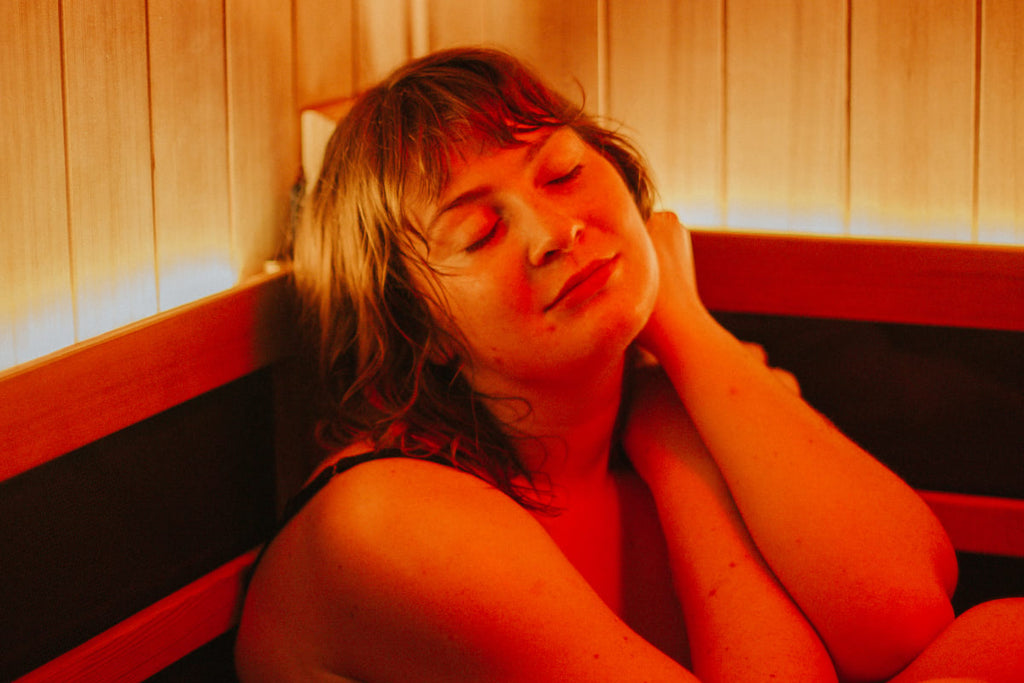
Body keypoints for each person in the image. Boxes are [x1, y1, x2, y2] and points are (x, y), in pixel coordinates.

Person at [235, 47, 1022, 682]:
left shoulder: (633, 417)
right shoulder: (386, 522)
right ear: (418, 328)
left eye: (565, 172)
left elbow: (907, 612)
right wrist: (686, 455)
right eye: (478, 233)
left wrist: (684, 326)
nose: (555, 231)